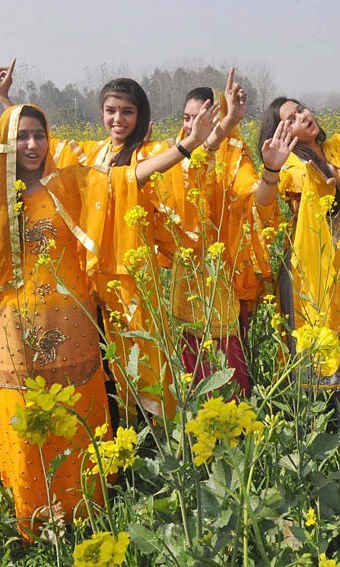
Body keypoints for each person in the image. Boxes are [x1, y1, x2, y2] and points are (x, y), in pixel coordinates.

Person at [0, 100, 215, 537]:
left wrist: (186, 145)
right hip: (15, 327)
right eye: (21, 135)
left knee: (77, 407)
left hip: (73, 321)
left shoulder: (71, 183)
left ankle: (87, 509)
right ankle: (35, 521)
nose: (33, 144)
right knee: (25, 414)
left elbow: (126, 179)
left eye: (39, 134)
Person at [257, 30, 340, 401]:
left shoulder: (337, 147)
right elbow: (263, 203)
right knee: (312, 336)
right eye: (292, 118)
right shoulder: (290, 166)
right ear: (282, 133)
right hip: (304, 270)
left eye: (302, 110)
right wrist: (270, 170)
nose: (304, 117)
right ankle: (311, 419)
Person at [150, 69, 292, 397]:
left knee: (228, 358)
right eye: (187, 118)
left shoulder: (234, 154)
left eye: (205, 118)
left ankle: (233, 427)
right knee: (188, 362)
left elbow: (257, 201)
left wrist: (271, 171)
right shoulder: (172, 155)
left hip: (225, 276)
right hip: (188, 276)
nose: (192, 125)